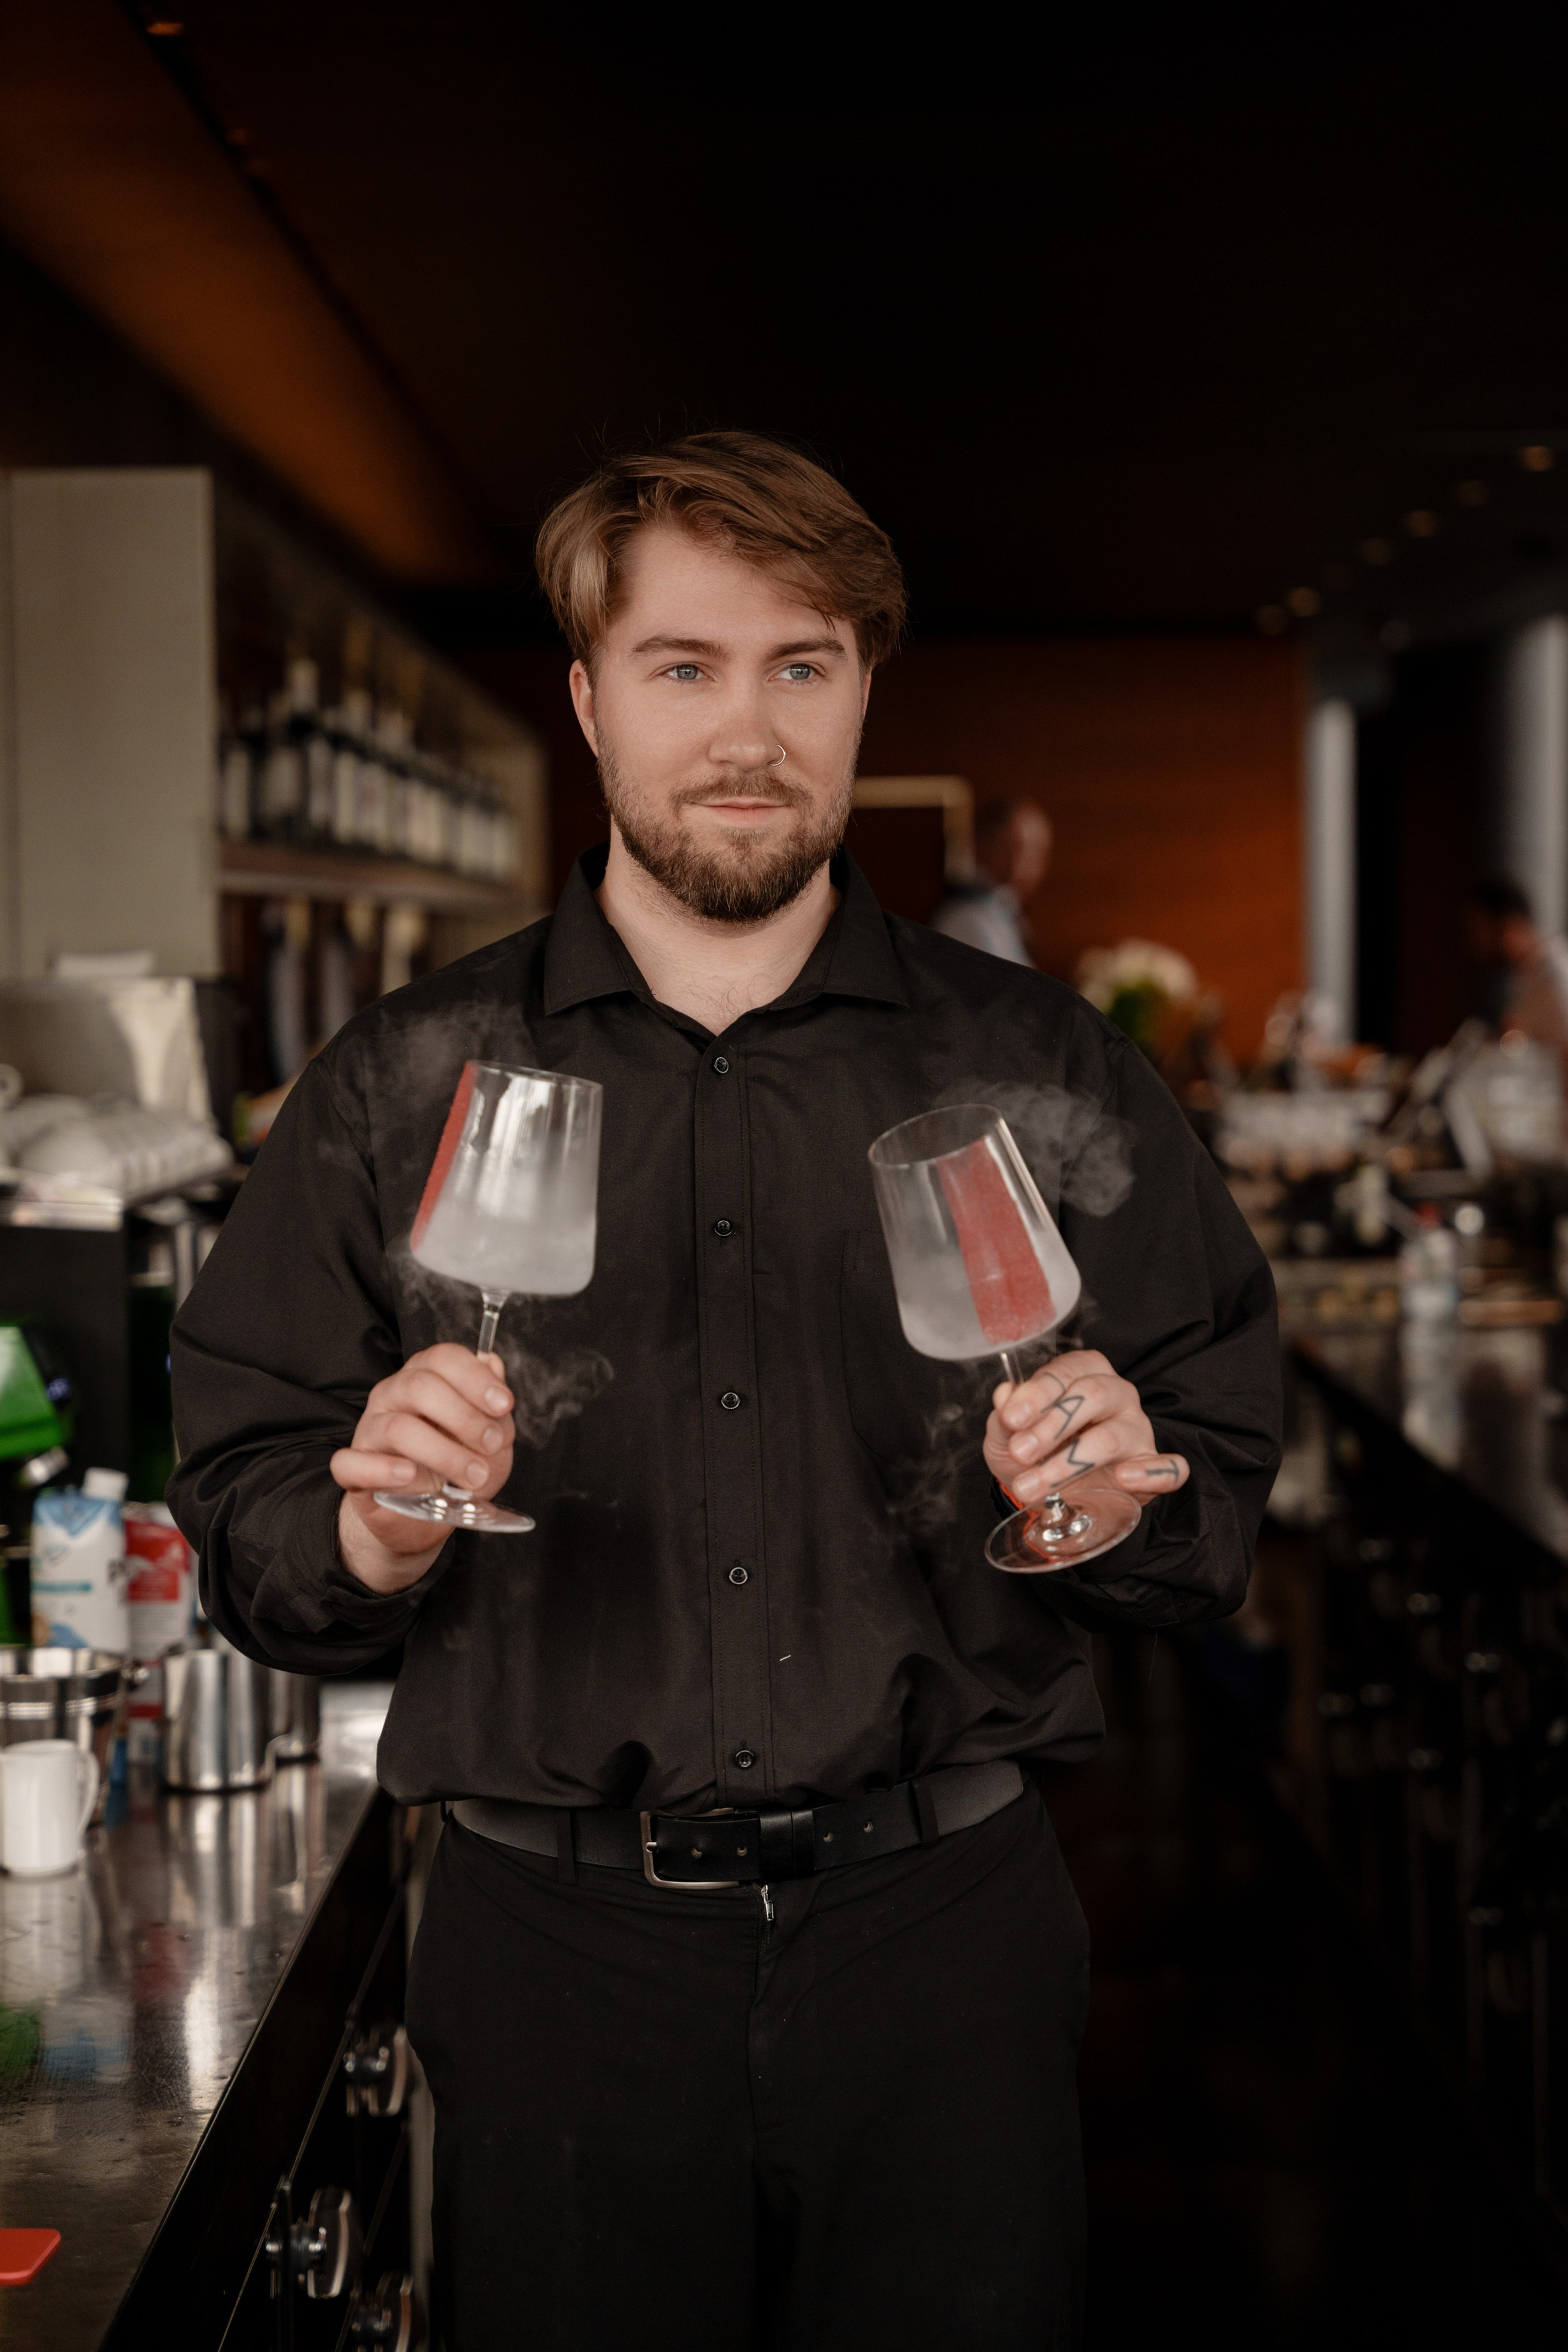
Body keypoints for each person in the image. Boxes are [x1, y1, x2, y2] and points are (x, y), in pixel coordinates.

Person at [168, 431, 1281, 2352]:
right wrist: (363, 1517)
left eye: (802, 663)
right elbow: (248, 1505)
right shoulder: (407, 1071)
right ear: (591, 698)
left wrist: (1123, 1497)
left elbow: (1216, 1496)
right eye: (684, 665)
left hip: (946, 1932)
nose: (744, 726)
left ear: (863, 692)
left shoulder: (1047, 1071)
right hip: (550, 1949)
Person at [931, 795, 1053, 963]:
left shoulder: (1005, 907)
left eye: (1035, 852)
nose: (1019, 866)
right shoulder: (967, 918)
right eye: (1008, 849)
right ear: (981, 845)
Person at [1464, 873, 1568, 1069]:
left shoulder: (1554, 970)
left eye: (1481, 930)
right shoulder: (1530, 971)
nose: (1476, 943)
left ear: (1509, 924)